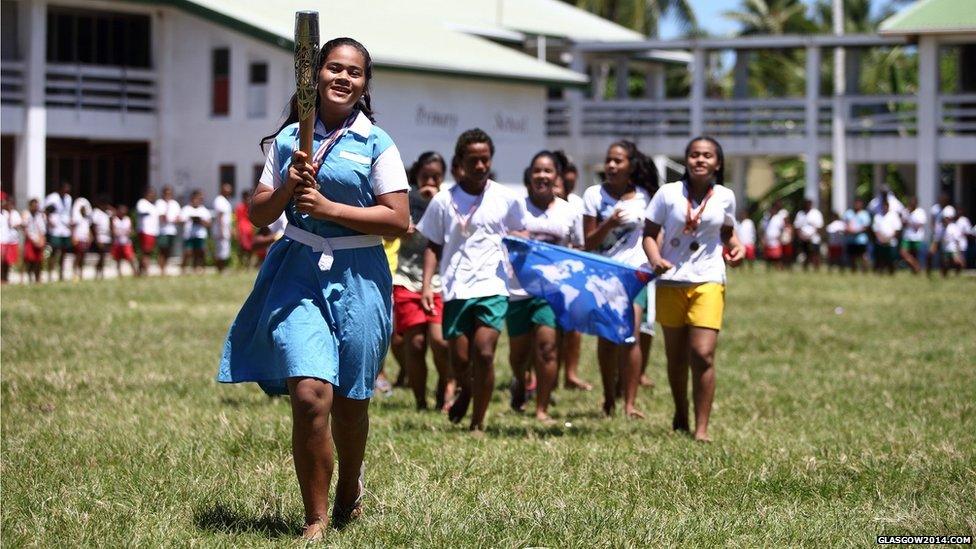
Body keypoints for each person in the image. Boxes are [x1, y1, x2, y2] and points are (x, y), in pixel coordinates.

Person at [217, 37, 410, 540]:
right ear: (315, 75)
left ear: (365, 84)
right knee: (309, 396)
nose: (344, 78)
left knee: (351, 402)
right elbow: (260, 216)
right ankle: (316, 518)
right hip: (297, 269)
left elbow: (398, 219)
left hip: (360, 275)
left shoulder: (377, 142)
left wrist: (330, 209)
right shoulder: (286, 142)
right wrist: (288, 187)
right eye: (334, 68)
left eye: (355, 72)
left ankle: (350, 487)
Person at [417, 128, 526, 432]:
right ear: (460, 162)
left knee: (485, 352)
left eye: (485, 160)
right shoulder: (442, 200)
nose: (480, 166)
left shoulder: (506, 198)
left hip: (493, 285)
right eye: (473, 160)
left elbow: (522, 234)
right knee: (461, 360)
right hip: (455, 288)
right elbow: (433, 245)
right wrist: (427, 285)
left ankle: (477, 422)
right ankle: (465, 388)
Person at [642, 136, 744, 443]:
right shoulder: (667, 193)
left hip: (708, 280)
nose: (700, 160)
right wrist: (655, 258)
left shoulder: (725, 196)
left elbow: (727, 231)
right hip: (671, 281)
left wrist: (736, 247)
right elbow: (648, 234)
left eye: (707, 156)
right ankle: (681, 411)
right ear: (686, 160)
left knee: (702, 354)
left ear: (718, 163)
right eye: (695, 155)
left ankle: (701, 428)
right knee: (676, 358)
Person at [582, 140, 657, 419]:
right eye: (609, 160)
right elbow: (588, 243)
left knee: (631, 335)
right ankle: (608, 398)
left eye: (618, 161)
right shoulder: (593, 195)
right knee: (608, 338)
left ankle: (629, 402)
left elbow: (653, 234)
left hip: (635, 273)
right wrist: (609, 224)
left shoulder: (646, 196)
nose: (611, 166)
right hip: (603, 275)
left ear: (631, 166)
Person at [508, 150, 583, 423]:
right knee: (518, 353)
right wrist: (513, 235)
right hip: (518, 290)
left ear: (557, 177)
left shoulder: (570, 211)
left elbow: (578, 248)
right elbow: (500, 237)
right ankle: (519, 379)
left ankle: (542, 408)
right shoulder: (515, 207)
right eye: (537, 171)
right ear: (529, 176)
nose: (542, 175)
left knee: (547, 348)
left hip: (552, 291)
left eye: (548, 171)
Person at [393, 151, 453, 411]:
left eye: (436, 176)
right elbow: (397, 233)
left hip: (441, 281)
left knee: (440, 342)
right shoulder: (404, 198)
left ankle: (446, 386)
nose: (430, 181)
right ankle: (420, 401)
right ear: (416, 175)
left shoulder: (448, 201)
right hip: (407, 279)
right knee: (415, 344)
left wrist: (435, 203)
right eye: (426, 176)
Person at [550, 157, 591, 391]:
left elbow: (580, 243)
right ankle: (546, 376)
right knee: (547, 331)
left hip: (570, 276)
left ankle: (570, 374)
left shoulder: (575, 206)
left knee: (572, 327)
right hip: (546, 279)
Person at [44, 182, 73, 281]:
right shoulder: (52, 197)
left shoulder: (68, 198)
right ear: (60, 189)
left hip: (65, 228)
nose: (67, 191)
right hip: (55, 227)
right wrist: (49, 222)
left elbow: (68, 212)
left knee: (64, 251)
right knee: (54, 251)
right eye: (65, 189)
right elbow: (46, 210)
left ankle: (61, 273)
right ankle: (50, 273)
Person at [181, 190, 212, 274]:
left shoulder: (204, 210)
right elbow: (180, 221)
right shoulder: (186, 209)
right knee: (188, 252)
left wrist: (200, 221)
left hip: (200, 235)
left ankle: (199, 269)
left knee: (200, 253)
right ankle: (183, 269)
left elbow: (209, 223)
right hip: (189, 235)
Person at [872, 199, 902, 275]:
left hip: (891, 242)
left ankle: (892, 272)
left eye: (886, 206)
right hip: (880, 241)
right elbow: (875, 229)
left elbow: (897, 229)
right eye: (883, 206)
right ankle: (880, 272)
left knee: (891, 258)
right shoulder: (878, 216)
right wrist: (880, 238)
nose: (885, 208)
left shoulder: (893, 215)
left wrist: (889, 238)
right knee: (880, 258)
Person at [156, 186, 181, 273]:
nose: (168, 195)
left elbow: (178, 218)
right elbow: (162, 217)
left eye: (170, 193)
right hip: (163, 231)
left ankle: (165, 268)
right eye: (166, 193)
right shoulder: (160, 203)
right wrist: (167, 207)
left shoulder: (175, 204)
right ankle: (161, 269)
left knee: (168, 251)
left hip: (172, 231)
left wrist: (173, 220)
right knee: (162, 250)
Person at [794, 199, 824, 271]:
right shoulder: (800, 214)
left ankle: (816, 269)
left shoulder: (816, 213)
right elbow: (797, 226)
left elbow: (819, 227)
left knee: (815, 254)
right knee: (805, 254)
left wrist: (810, 236)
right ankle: (805, 269)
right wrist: (801, 236)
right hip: (803, 238)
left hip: (814, 238)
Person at [843, 198, 871, 273]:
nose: (857, 205)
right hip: (850, 239)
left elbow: (866, 227)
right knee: (852, 257)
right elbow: (845, 224)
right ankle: (853, 271)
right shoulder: (848, 213)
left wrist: (856, 231)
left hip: (861, 240)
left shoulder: (864, 214)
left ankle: (865, 271)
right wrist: (848, 230)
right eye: (856, 203)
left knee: (863, 256)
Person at [899, 196, 926, 274]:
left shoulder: (920, 212)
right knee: (903, 252)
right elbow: (903, 223)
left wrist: (909, 222)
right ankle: (916, 265)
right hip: (907, 236)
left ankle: (915, 272)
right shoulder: (906, 211)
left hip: (917, 237)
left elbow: (919, 225)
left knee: (915, 255)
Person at [926, 192, 951, 277]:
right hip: (936, 236)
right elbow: (932, 222)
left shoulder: (949, 210)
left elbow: (947, 223)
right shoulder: (935, 209)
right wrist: (934, 231)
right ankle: (928, 272)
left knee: (944, 256)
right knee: (930, 254)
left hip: (946, 237)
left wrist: (944, 218)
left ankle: (943, 274)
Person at [21, 199, 46, 283]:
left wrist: (41, 240)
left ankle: (37, 278)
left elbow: (42, 230)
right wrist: (32, 240)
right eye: (34, 206)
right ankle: (29, 278)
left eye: (37, 206)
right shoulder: (26, 214)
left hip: (39, 240)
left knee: (38, 261)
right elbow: (24, 229)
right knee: (29, 260)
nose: (36, 207)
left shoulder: (40, 216)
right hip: (30, 240)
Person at [1, 192, 22, 283]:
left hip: (10, 241)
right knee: (1, 260)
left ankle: (5, 278)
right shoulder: (3, 214)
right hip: (2, 240)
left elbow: (17, 225)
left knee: (8, 261)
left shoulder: (14, 213)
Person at [213, 182, 234, 273]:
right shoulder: (219, 200)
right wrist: (221, 230)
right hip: (221, 230)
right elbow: (220, 216)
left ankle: (222, 269)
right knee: (220, 251)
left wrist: (230, 229)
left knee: (225, 250)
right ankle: (219, 269)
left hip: (225, 229)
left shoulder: (226, 201)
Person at [110, 204, 137, 276]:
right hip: (117, 242)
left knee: (130, 258)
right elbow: (112, 231)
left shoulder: (128, 219)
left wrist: (130, 232)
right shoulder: (114, 220)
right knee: (118, 259)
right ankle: (119, 274)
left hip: (126, 242)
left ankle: (135, 273)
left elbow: (132, 230)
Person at [91, 198, 113, 280]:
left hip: (107, 237)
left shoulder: (108, 213)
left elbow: (111, 224)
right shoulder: (96, 212)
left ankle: (101, 273)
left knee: (103, 256)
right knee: (100, 255)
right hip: (100, 237)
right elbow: (94, 226)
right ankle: (97, 273)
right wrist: (96, 238)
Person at [71, 201, 93, 281]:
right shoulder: (77, 218)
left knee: (83, 257)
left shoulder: (87, 220)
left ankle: (81, 273)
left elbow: (88, 229)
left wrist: (90, 237)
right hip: (78, 239)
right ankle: (74, 273)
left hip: (85, 240)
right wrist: (73, 238)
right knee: (77, 257)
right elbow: (73, 228)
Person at [939, 205, 963, 276]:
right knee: (945, 264)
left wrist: (959, 252)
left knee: (957, 263)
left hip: (953, 249)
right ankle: (944, 276)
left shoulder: (954, 227)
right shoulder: (941, 228)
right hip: (945, 250)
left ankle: (957, 274)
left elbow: (957, 241)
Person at [762, 201, 785, 270]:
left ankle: (778, 269)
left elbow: (782, 229)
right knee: (768, 257)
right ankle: (768, 270)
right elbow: (762, 229)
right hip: (767, 241)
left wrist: (780, 238)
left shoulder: (778, 218)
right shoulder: (765, 219)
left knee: (777, 257)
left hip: (776, 241)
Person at [236, 190, 254, 268]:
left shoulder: (251, 207)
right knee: (242, 247)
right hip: (242, 230)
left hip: (249, 229)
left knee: (250, 248)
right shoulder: (240, 207)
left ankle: (248, 264)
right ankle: (241, 264)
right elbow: (238, 220)